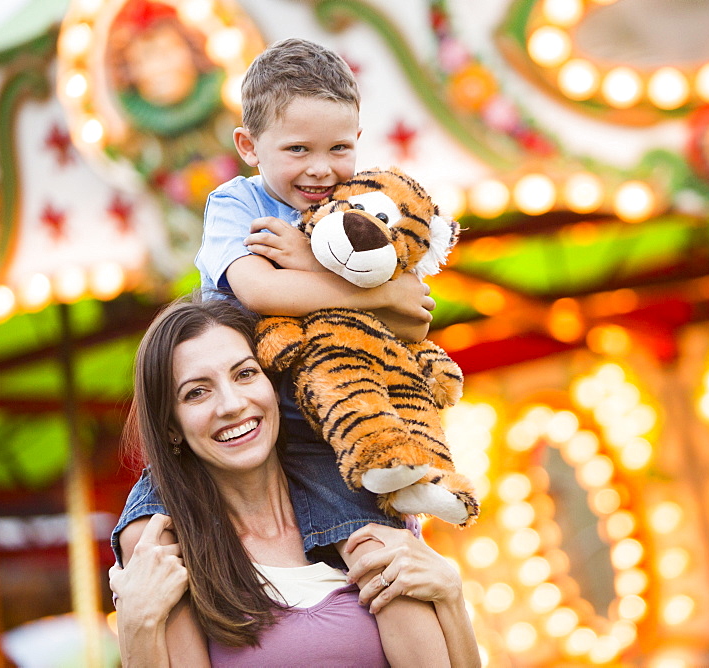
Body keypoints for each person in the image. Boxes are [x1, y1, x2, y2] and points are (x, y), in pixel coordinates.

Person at [111, 37, 459, 664]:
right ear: (249, 147)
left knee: (380, 555)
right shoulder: (238, 203)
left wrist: (366, 285)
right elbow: (256, 285)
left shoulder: (359, 205)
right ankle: (144, 607)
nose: (321, 170)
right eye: (297, 150)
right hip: (259, 421)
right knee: (154, 528)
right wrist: (368, 288)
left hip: (324, 430)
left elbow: (415, 310)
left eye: (339, 148)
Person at [109, 297, 479, 665]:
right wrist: (138, 626)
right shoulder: (172, 550)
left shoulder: (358, 505)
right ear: (171, 426)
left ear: (273, 385)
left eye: (245, 373)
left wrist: (450, 595)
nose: (232, 404)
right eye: (197, 392)